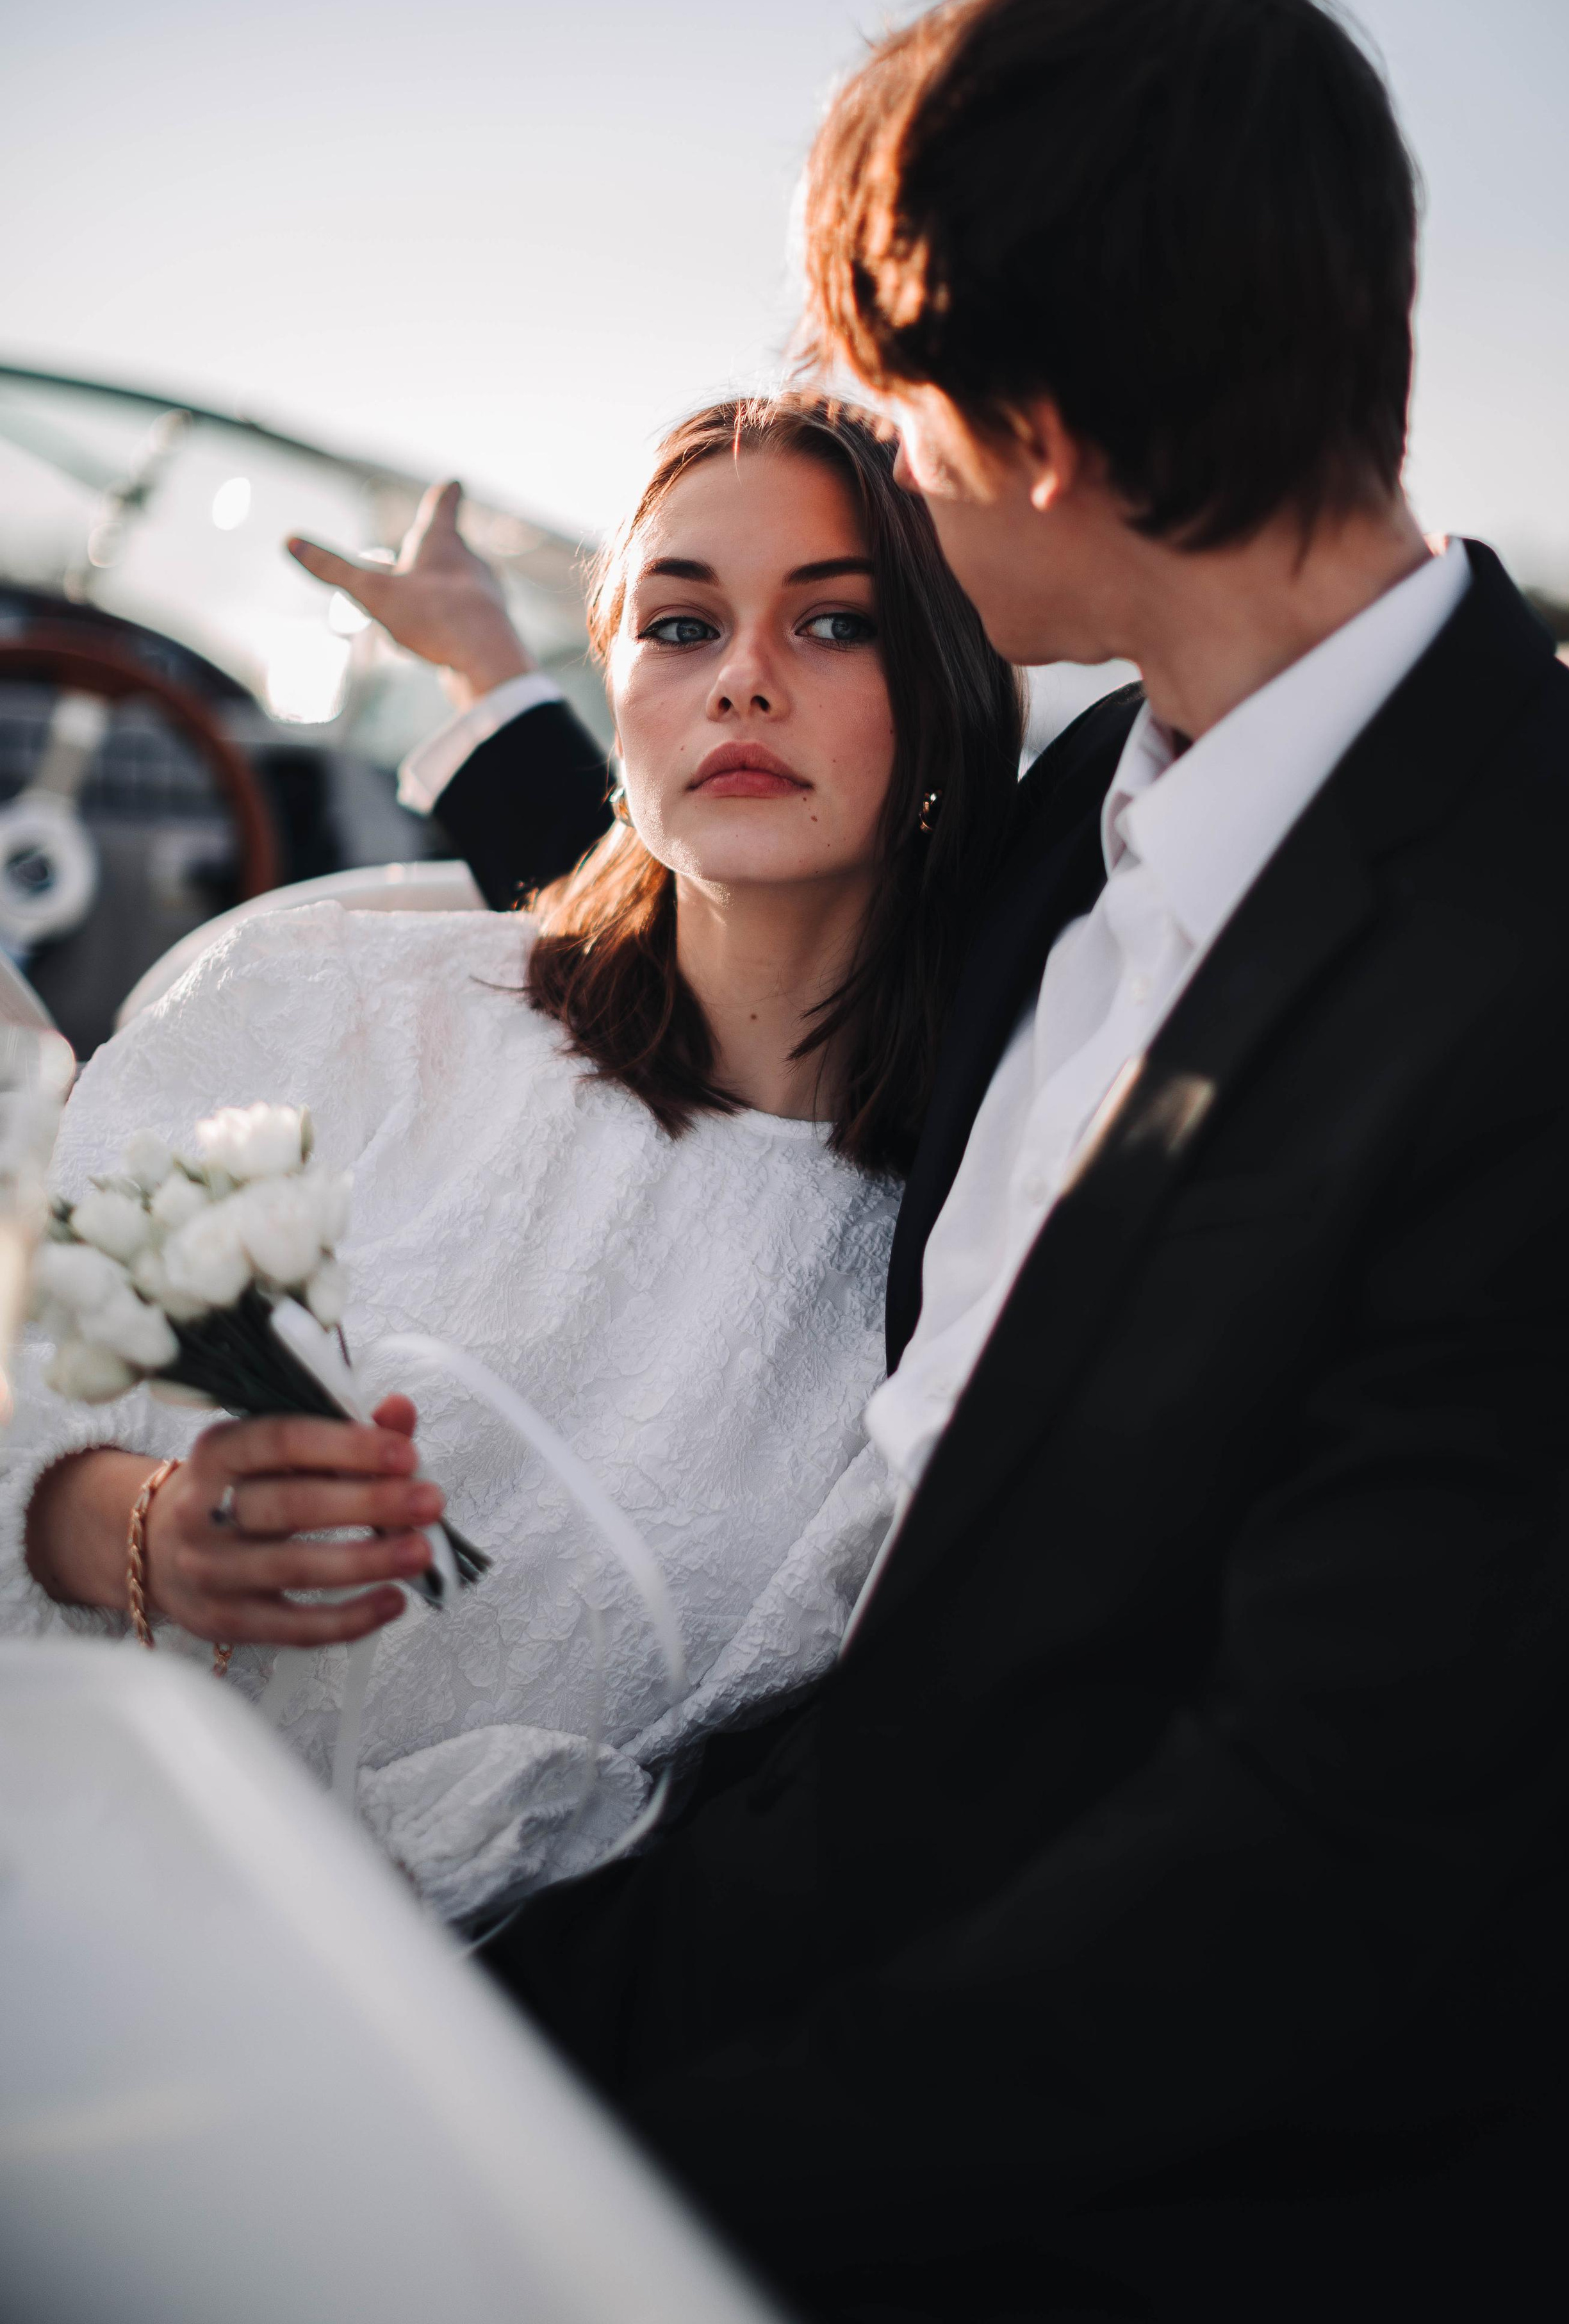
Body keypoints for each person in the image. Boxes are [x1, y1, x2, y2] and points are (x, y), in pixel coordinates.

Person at [339, 0, 1569, 2323]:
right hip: (718, 1903)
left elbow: (1315, 1861)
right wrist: (510, 696)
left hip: (1060, 2167)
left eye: (903, 413)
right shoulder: (1081, 815)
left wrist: (598, 2214)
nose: (893, 475)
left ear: (1034, 428)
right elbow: (756, 921)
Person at [1, 396, 1022, 1927]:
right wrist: (142, 1527)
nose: (742, 679)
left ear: (940, 684)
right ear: (613, 690)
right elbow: (27, 1372)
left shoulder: (953, 1262)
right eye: (680, 626)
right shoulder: (329, 1011)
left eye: (832, 625)